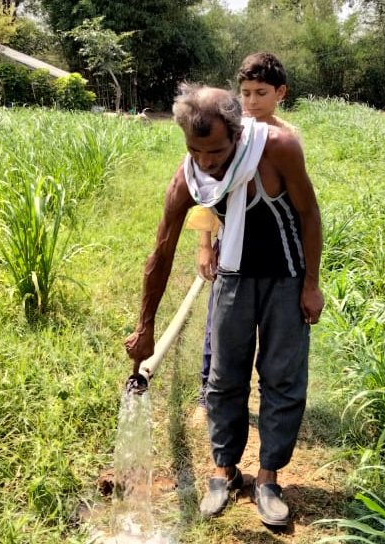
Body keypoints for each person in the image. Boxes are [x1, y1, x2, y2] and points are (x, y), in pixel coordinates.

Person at [124, 84, 323, 527]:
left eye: (215, 151)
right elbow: (161, 251)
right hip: (231, 278)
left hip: (285, 278)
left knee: (282, 379)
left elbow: (309, 213)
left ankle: (268, 478)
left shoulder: (277, 149)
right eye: (196, 150)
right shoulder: (189, 176)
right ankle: (224, 470)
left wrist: (311, 283)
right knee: (222, 379)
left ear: (237, 134)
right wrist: (146, 326)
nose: (207, 161)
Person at [188, 52, 297, 408]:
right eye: (246, 92)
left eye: (261, 93)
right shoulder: (232, 135)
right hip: (229, 244)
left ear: (280, 93)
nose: (251, 101)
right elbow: (208, 192)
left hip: (269, 252)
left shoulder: (286, 140)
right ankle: (210, 387)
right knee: (219, 324)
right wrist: (206, 244)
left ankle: (270, 397)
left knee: (270, 333)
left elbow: (295, 203)